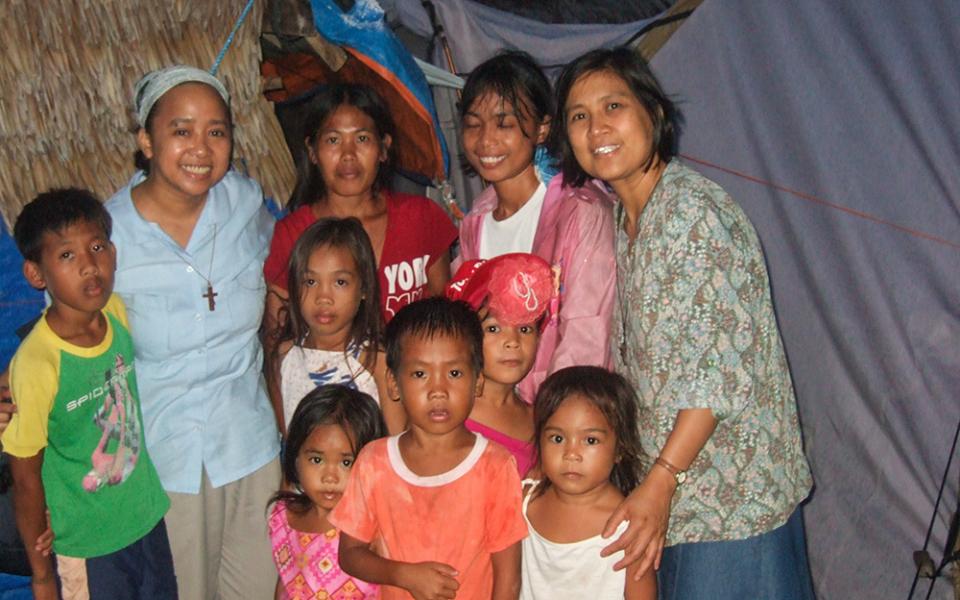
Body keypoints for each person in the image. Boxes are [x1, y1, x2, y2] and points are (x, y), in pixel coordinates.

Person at [552, 47, 815, 599]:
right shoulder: (630, 216)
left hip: (730, 499)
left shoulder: (692, 217)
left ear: (653, 114)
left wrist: (660, 481)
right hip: (676, 491)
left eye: (613, 106)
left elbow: (713, 381)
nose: (596, 127)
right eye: (579, 115)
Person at [105, 65, 280, 600]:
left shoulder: (247, 204)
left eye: (216, 131)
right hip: (164, 462)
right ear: (145, 141)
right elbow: (68, 343)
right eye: (181, 130)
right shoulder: (106, 237)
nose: (200, 147)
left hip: (251, 449)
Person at [3, 189, 175, 599]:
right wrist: (42, 575)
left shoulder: (116, 314)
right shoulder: (38, 363)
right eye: (67, 256)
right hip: (87, 543)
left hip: (145, 518)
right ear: (35, 274)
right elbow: (25, 475)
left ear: (113, 254)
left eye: (97, 247)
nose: (89, 266)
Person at [329, 297, 527, 599]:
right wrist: (403, 575)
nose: (438, 390)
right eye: (420, 374)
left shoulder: (495, 466)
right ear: (394, 384)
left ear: (478, 382)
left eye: (455, 373)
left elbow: (509, 579)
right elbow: (350, 553)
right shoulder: (375, 461)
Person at [456, 50, 617, 401]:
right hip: (493, 416)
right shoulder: (475, 223)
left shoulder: (580, 211)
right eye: (473, 124)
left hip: (560, 419)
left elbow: (585, 337)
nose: (486, 140)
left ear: (542, 128)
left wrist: (548, 423)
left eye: (505, 123)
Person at [263, 83, 458, 329]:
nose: (348, 154)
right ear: (312, 151)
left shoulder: (422, 217)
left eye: (362, 138)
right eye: (333, 140)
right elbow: (277, 336)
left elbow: (447, 322)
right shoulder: (291, 234)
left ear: (383, 148)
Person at [521, 366, 655, 599]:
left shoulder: (629, 527)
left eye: (590, 440)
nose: (571, 453)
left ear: (619, 449)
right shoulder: (525, 501)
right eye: (558, 438)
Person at [271, 217, 405, 435]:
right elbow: (289, 439)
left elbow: (393, 448)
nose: (324, 297)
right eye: (310, 282)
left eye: (340, 282)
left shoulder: (377, 362)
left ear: (363, 288)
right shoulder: (286, 356)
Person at [268, 384, 385, 599]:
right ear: (295, 457)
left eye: (346, 462)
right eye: (316, 460)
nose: (330, 477)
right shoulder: (285, 519)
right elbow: (286, 582)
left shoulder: (376, 529)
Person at [445, 253, 556, 477]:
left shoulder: (542, 420)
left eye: (525, 329)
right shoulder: (448, 414)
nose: (512, 342)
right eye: (494, 329)